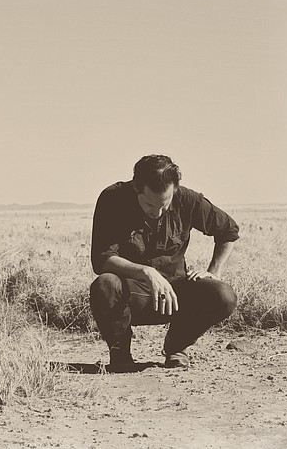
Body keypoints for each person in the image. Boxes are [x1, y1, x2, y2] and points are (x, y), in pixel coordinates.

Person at [89, 154, 239, 372]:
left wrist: (213, 271)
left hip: (176, 297)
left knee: (223, 294)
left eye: (165, 205)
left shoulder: (188, 199)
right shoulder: (112, 199)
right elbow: (101, 258)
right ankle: (120, 353)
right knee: (105, 284)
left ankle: (176, 348)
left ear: (175, 190)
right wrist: (146, 272)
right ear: (136, 189)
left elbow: (229, 231)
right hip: (133, 296)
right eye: (150, 205)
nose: (158, 212)